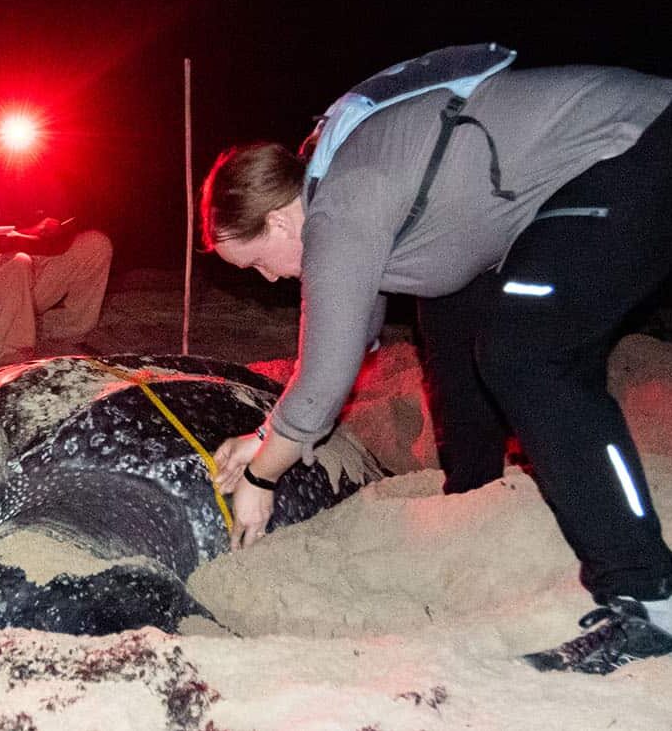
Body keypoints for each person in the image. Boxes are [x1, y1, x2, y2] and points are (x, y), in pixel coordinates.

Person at [201, 46, 672, 674]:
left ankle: (646, 594)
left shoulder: (341, 205)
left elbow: (326, 377)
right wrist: (264, 434)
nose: (265, 279)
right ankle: (474, 499)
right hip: (579, 179)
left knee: (526, 350)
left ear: (285, 219)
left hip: (635, 144)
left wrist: (262, 478)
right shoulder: (334, 189)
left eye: (257, 261)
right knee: (450, 319)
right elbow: (354, 329)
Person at [0, 170, 112, 366]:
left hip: (34, 260)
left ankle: (63, 330)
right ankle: (13, 356)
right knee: (18, 262)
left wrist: (40, 236)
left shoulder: (46, 179)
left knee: (96, 244)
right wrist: (27, 235)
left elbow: (62, 238)